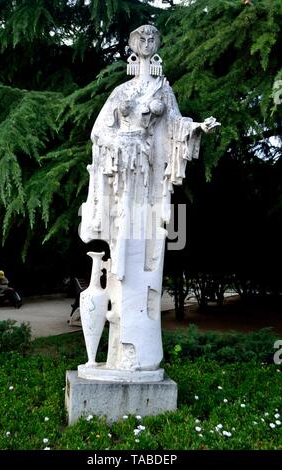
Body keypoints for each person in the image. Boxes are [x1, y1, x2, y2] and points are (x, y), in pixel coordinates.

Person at [79, 25, 220, 375]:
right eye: (140, 39)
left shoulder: (163, 88)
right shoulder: (121, 91)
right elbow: (98, 132)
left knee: (147, 245)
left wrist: (197, 128)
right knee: (122, 243)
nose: (146, 43)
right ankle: (117, 353)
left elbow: (174, 125)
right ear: (130, 46)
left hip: (147, 173)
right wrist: (119, 143)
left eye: (152, 38)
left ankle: (140, 352)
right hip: (122, 172)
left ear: (157, 46)